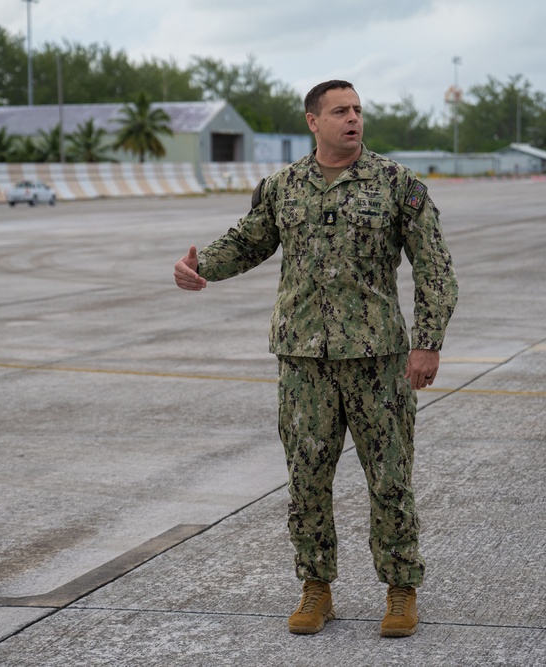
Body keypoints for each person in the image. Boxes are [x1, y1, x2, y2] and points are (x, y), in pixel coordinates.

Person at [173, 80, 458, 638]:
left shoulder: (399, 185)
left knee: (390, 478)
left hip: (378, 359)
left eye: (357, 110)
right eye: (340, 111)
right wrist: (200, 265)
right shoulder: (283, 187)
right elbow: (248, 241)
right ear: (313, 122)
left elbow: (435, 269)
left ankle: (401, 590)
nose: (352, 119)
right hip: (304, 359)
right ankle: (316, 588)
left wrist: (427, 341)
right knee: (306, 480)